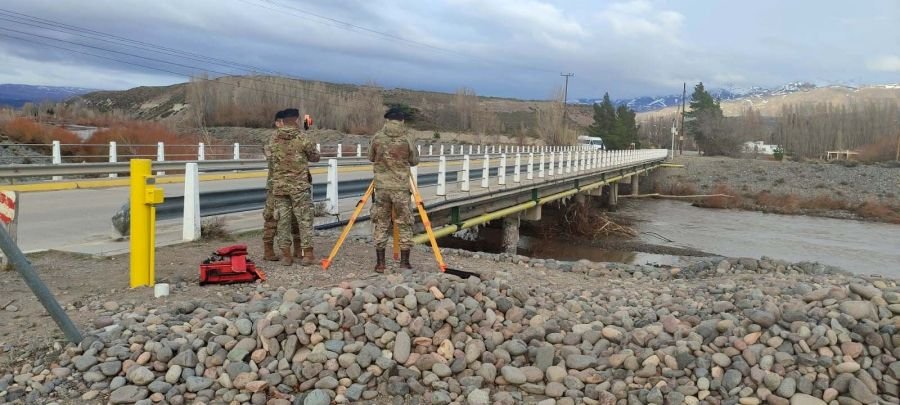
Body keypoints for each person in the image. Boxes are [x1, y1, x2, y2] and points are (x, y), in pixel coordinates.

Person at [368, 107, 419, 272]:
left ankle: (380, 263)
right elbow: (414, 160)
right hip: (401, 188)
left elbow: (370, 157)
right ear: (402, 120)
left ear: (387, 120)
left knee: (381, 222)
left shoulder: (377, 137)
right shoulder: (407, 138)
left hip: (382, 188)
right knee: (404, 223)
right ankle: (404, 262)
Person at [268, 108, 320, 265]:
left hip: (280, 187)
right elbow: (315, 157)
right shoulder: (302, 138)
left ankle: (286, 255)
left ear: (283, 121)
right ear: (296, 120)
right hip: (299, 187)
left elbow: (269, 156)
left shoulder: (273, 138)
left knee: (282, 221)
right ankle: (307, 255)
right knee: (304, 220)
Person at [262, 110, 299, 261]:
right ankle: (268, 249)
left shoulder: (296, 138)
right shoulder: (274, 140)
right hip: (276, 185)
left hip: (295, 184)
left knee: (297, 217)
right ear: (279, 123)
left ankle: (298, 248)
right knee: (272, 216)